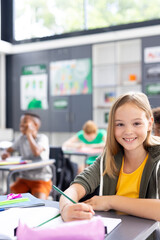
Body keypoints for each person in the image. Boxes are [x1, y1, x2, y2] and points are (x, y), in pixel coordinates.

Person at [59, 92, 160, 223]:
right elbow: (76, 188)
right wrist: (66, 207)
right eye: (120, 124)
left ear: (149, 123)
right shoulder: (109, 157)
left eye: (136, 123)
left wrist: (110, 201)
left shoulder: (157, 159)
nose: (128, 131)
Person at [1, 113, 52, 200]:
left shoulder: (42, 138)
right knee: (7, 198)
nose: (21, 124)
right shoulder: (21, 138)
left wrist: (29, 135)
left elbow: (36, 152)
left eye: (25, 122)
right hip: (24, 178)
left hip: (41, 179)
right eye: (20, 122)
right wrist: (5, 152)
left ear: (35, 125)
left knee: (39, 203)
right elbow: (9, 149)